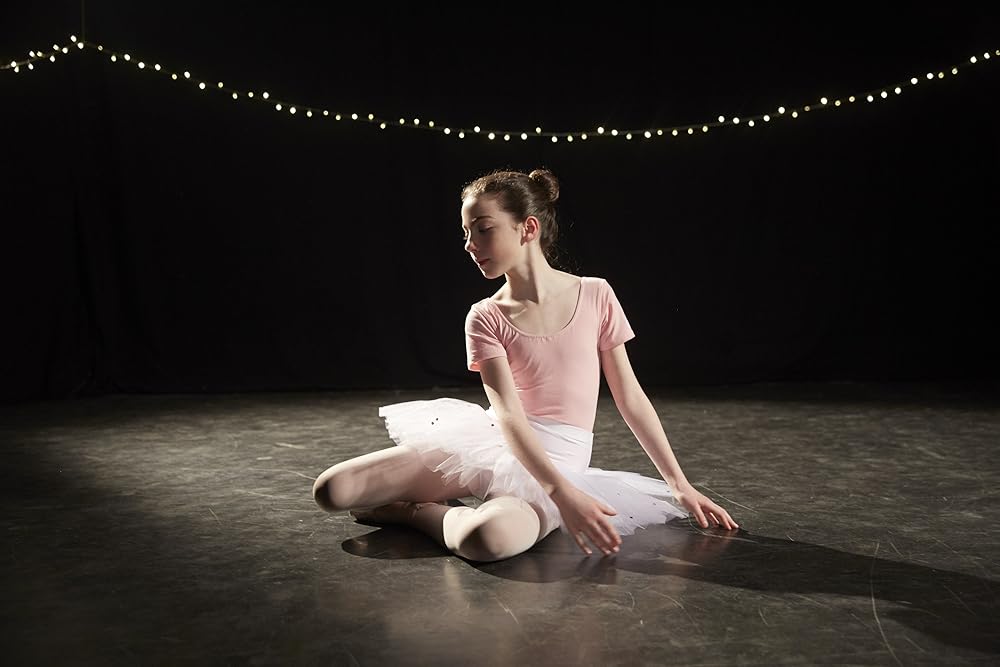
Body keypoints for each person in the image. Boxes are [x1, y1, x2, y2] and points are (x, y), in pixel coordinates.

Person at [312, 168, 738, 562]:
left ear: (528, 228)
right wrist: (560, 494)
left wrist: (678, 484)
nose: (469, 245)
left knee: (487, 539)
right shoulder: (485, 316)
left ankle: (414, 512)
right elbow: (508, 414)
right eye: (466, 233)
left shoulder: (595, 294)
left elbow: (630, 397)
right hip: (490, 441)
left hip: (557, 459)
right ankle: (427, 502)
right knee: (332, 490)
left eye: (483, 230)